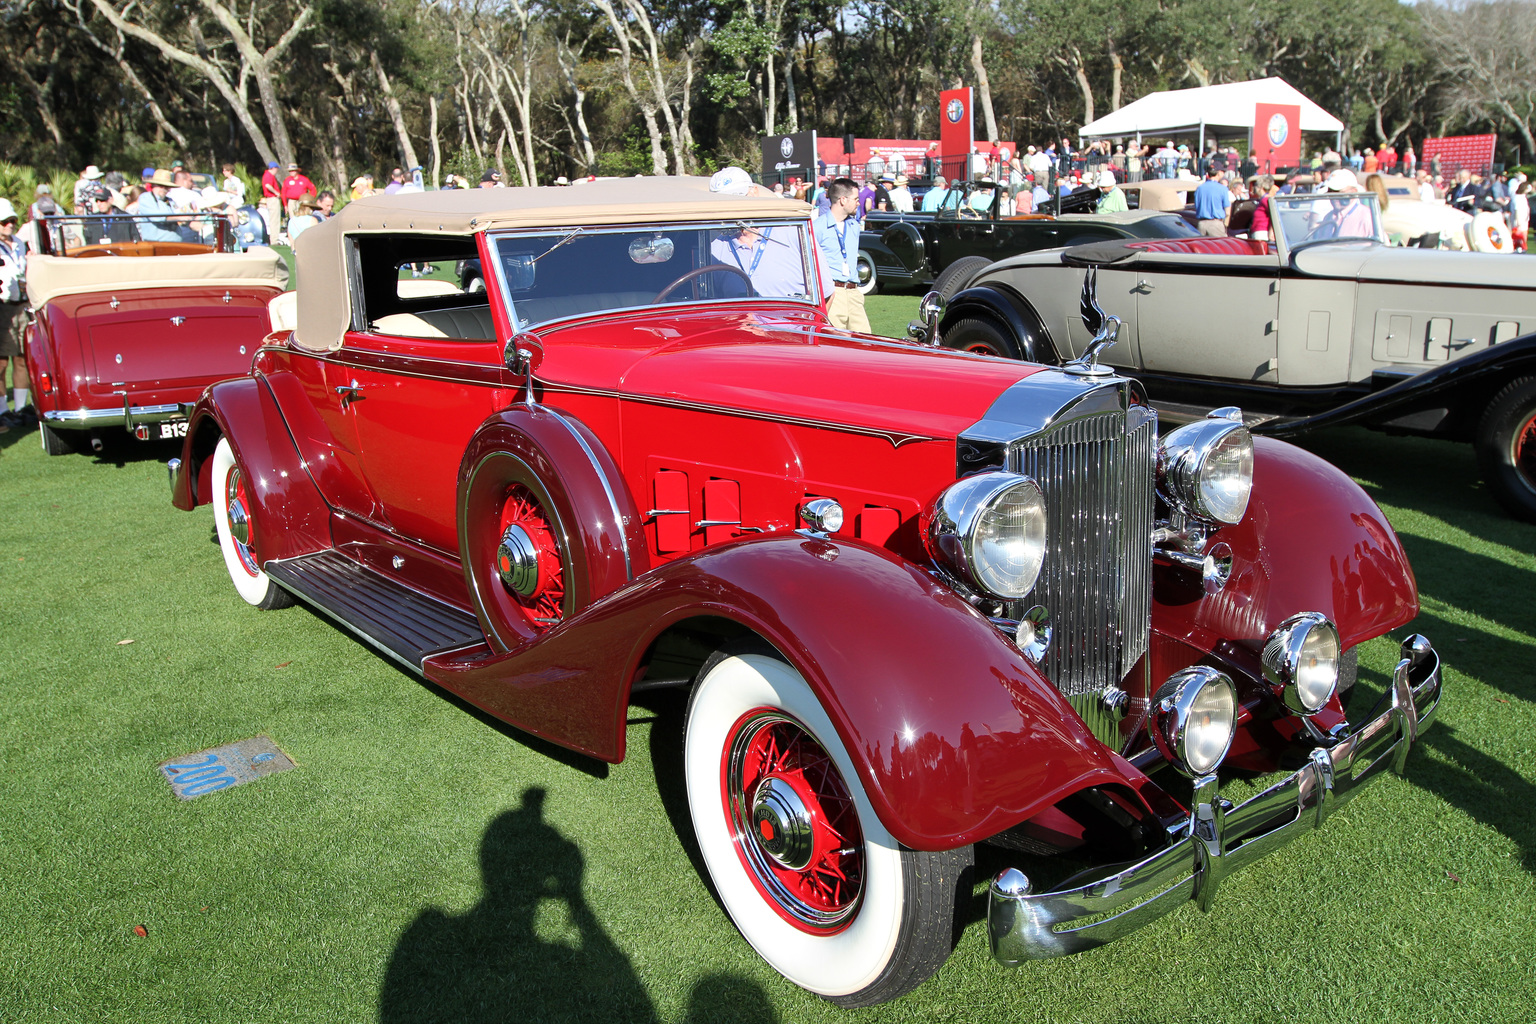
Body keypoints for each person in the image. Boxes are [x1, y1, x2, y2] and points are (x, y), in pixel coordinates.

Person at [812, 178, 869, 333]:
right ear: (843, 200)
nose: (858, 203)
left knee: (865, 343)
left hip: (854, 292)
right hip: (833, 293)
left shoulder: (854, 226)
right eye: (856, 199)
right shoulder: (817, 227)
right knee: (836, 343)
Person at [709, 223, 807, 298]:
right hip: (739, 321)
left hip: (790, 319)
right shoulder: (715, 249)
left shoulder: (793, 233)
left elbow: (821, 294)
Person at [0, 198, 31, 431]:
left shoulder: (20, 243)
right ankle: (3, 411)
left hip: (21, 305)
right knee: (1, 362)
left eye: (12, 221)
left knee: (22, 358)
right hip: (2, 306)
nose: (9, 225)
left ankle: (20, 409)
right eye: (4, 222)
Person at [135, 169, 185, 242]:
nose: (165, 189)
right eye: (161, 186)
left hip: (176, 244)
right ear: (154, 185)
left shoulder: (170, 201)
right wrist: (179, 218)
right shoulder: (146, 198)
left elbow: (180, 214)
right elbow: (157, 217)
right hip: (156, 245)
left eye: (167, 187)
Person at [1193, 166, 1232, 236]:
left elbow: (1196, 206)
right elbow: (1227, 211)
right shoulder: (1223, 189)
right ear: (1218, 174)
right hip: (1216, 224)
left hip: (1201, 224)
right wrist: (1225, 225)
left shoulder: (1199, 188)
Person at [1248, 174, 1277, 243]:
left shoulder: (1265, 200)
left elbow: (1274, 214)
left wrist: (1271, 230)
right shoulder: (1263, 199)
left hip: (1262, 232)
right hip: (1259, 231)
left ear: (1260, 187)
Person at [259, 161, 282, 238]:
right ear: (273, 168)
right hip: (272, 198)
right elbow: (268, 185)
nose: (277, 171)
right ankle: (274, 238)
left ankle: (274, 238)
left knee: (274, 219)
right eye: (277, 169)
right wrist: (276, 193)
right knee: (274, 219)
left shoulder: (268, 175)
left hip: (272, 199)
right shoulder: (269, 175)